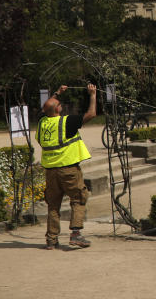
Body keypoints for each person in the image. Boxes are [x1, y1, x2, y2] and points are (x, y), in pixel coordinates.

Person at [37, 83, 96, 249]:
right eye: (60, 104)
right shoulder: (65, 123)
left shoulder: (41, 123)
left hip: (50, 172)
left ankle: (51, 240)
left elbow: (44, 109)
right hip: (69, 170)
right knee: (79, 198)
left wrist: (57, 93)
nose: (62, 105)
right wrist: (92, 94)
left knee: (53, 205)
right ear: (57, 110)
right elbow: (91, 114)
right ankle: (76, 234)